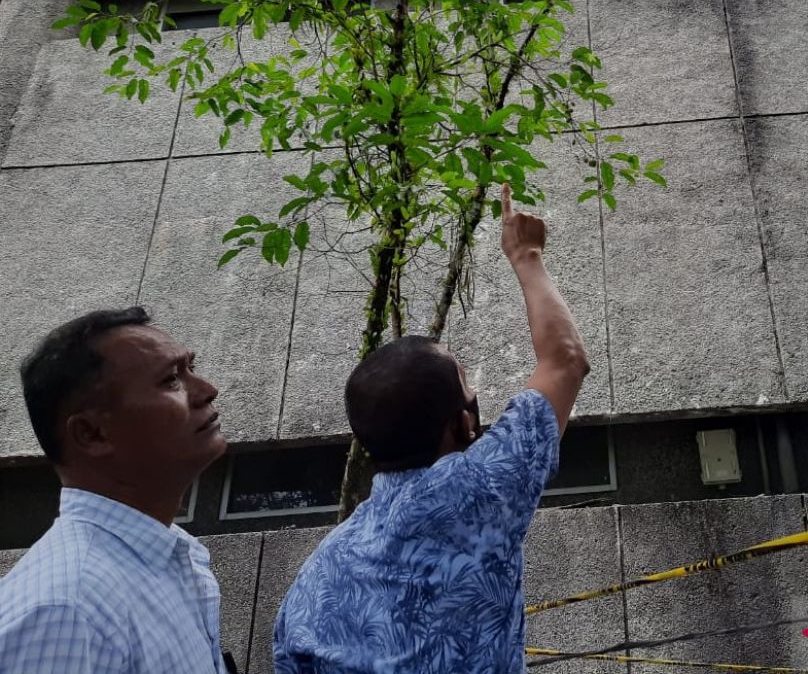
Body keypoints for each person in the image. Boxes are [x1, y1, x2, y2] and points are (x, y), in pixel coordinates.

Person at [274, 183, 590, 673]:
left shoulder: (320, 567)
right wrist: (526, 254)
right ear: (463, 424)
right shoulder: (478, 490)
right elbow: (564, 360)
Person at [0, 307, 229, 673]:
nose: (206, 390)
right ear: (92, 434)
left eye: (191, 368)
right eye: (171, 379)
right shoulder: (66, 612)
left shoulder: (177, 558)